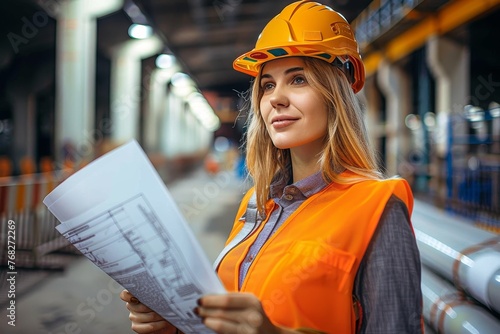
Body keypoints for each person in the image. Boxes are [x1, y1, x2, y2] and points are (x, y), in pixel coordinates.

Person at [120, 1, 424, 333]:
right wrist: (177, 325)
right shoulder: (258, 203)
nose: (276, 98)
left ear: (334, 94)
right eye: (267, 85)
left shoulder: (376, 208)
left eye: (298, 80)